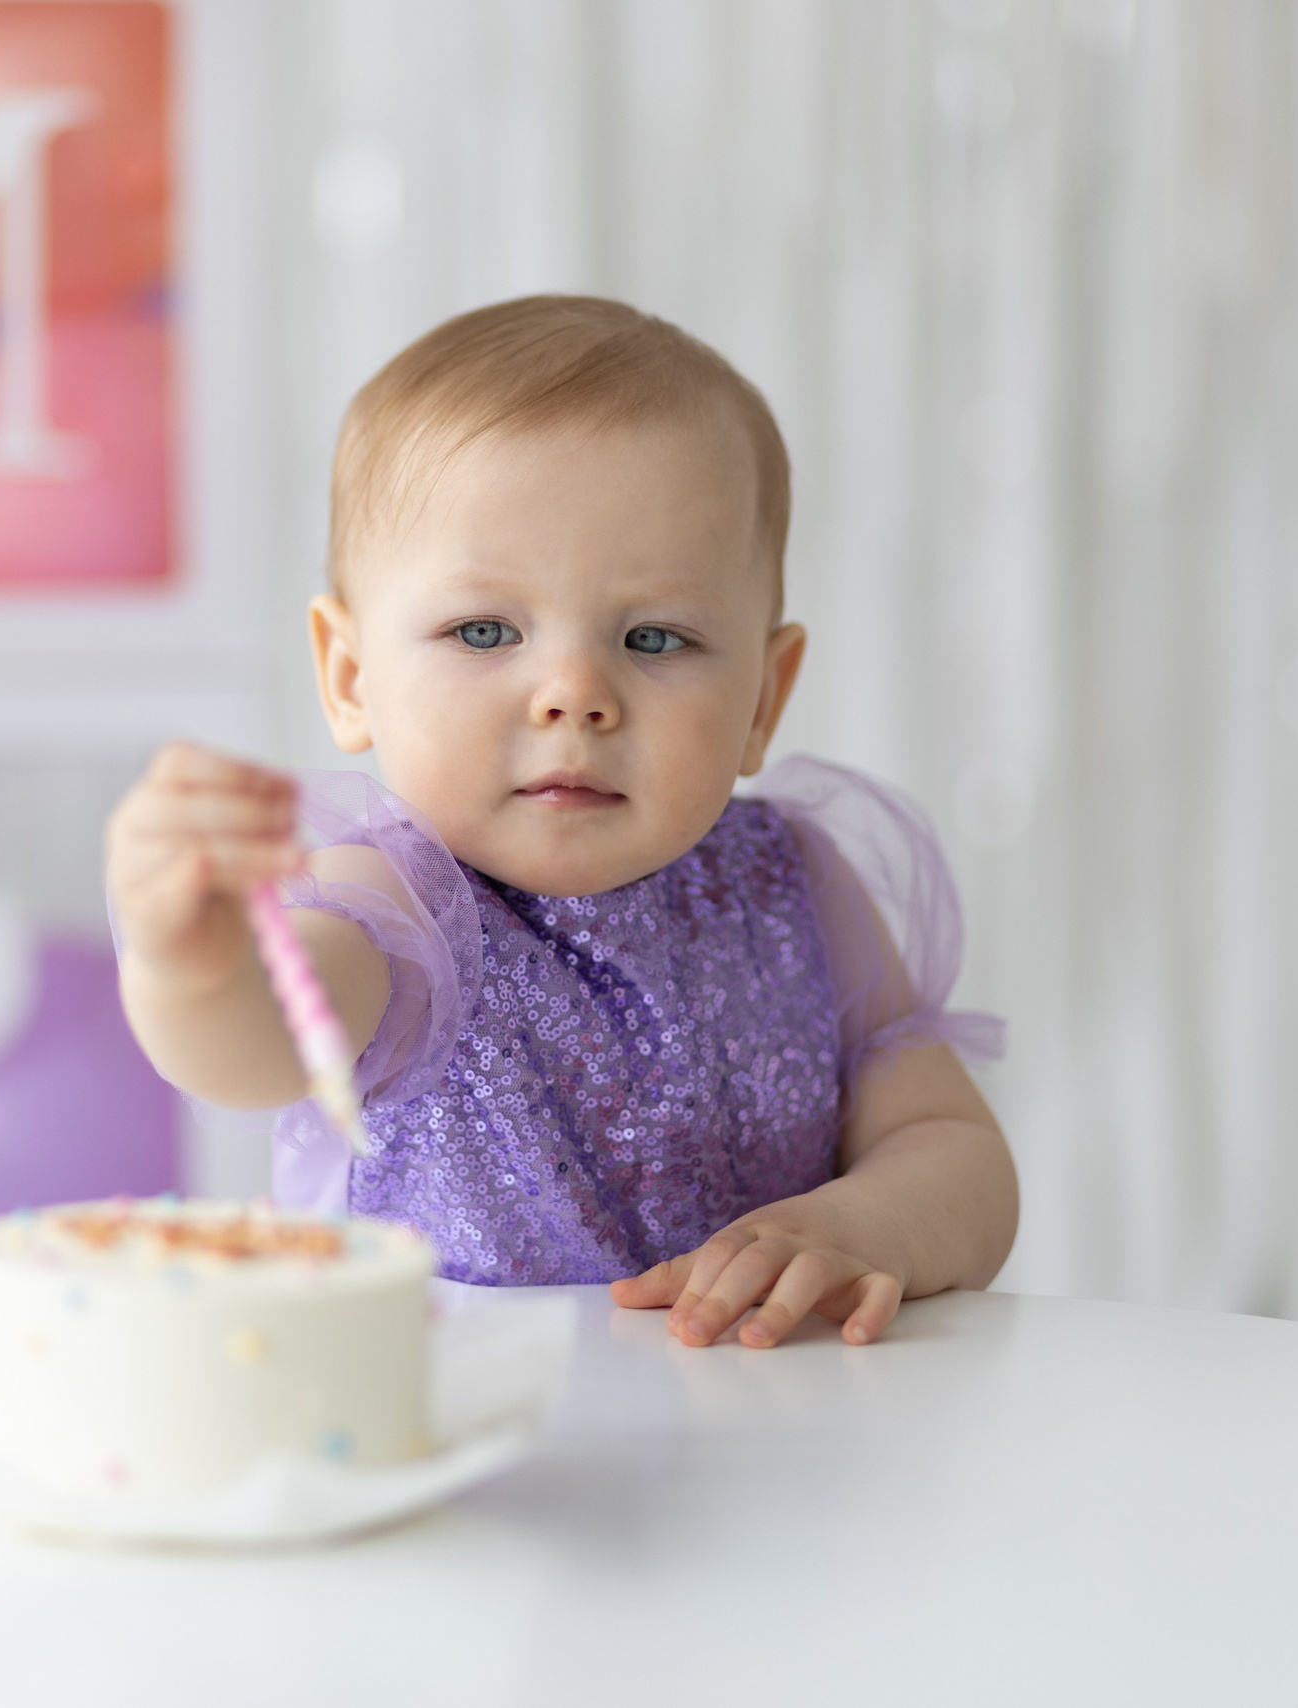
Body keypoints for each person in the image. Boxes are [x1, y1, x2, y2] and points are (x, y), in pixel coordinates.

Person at [105, 296, 1015, 1350]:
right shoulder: (400, 903)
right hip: (459, 1432)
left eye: (655, 638)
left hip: (777, 1426)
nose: (574, 693)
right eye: (485, 630)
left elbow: (952, 1144)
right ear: (350, 677)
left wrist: (870, 1220)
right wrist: (194, 964)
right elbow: (266, 1038)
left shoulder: (793, 883)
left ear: (764, 698)